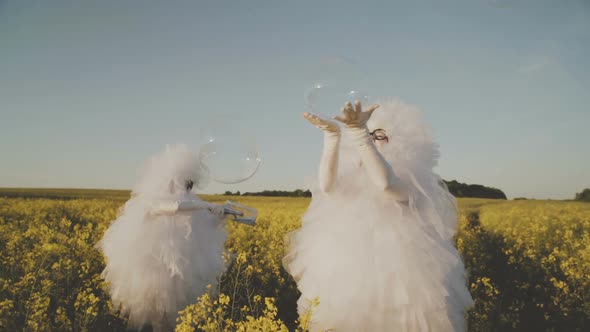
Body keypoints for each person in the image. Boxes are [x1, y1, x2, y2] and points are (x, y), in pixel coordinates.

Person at [283, 99, 474, 331]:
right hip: (351, 271)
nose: (373, 141)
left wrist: (360, 133)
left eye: (380, 136)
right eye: (370, 135)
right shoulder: (354, 176)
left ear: (403, 145)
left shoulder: (413, 180)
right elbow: (328, 187)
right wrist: (332, 138)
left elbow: (385, 183)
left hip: (402, 278)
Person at [97, 143, 229, 331]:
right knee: (160, 310)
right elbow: (172, 207)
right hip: (156, 268)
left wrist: (220, 217)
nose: (184, 188)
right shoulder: (151, 200)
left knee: (183, 311)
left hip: (187, 267)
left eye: (187, 184)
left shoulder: (193, 203)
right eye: (181, 182)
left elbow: (207, 227)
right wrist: (206, 206)